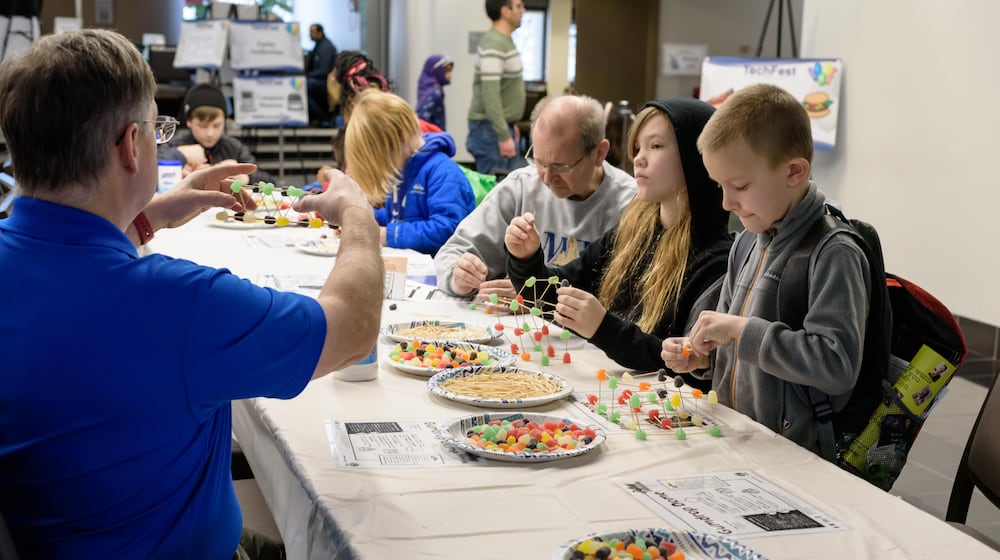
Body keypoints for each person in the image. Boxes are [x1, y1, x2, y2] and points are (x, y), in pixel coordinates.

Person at [0, 29, 383, 559]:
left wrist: (146, 216)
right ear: (130, 146)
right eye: (156, 131)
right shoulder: (178, 304)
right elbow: (353, 327)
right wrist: (359, 215)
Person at [660, 83, 871, 454]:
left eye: (739, 185)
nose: (727, 202)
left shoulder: (834, 252)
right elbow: (735, 344)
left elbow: (836, 365)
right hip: (738, 434)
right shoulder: (745, 243)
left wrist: (742, 330)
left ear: (793, 172)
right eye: (720, 186)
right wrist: (702, 356)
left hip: (795, 451)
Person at [505, 98, 732, 379]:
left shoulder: (715, 259)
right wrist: (525, 257)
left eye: (656, 146)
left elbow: (683, 362)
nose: (639, 159)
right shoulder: (633, 230)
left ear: (696, 158)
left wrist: (602, 327)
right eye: (637, 148)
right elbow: (549, 298)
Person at [434, 94, 636, 299]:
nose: (547, 178)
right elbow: (451, 253)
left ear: (599, 153)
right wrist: (459, 276)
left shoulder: (632, 204)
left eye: (561, 166)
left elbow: (631, 300)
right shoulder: (521, 187)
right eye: (539, 161)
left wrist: (535, 297)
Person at [346, 89, 475, 255]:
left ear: (401, 138)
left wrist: (386, 235)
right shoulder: (403, 168)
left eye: (383, 157)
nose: (385, 165)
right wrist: (364, 217)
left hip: (438, 273)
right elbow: (397, 217)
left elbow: (447, 229)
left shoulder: (444, 172)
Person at [157, 83, 274, 186]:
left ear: (225, 121)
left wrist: (246, 177)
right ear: (189, 121)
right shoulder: (176, 144)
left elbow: (269, 181)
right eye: (202, 126)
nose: (210, 133)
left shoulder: (233, 147)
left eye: (217, 125)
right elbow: (147, 174)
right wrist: (180, 155)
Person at [466, 0, 527, 174]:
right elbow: (490, 94)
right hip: (490, 130)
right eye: (518, 6)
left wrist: (510, 123)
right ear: (505, 11)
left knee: (502, 190)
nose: (523, 10)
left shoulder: (504, 41)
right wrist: (502, 133)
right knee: (493, 192)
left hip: (497, 127)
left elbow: (505, 89)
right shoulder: (494, 43)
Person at [306, 23, 338, 126]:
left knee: (305, 86)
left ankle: (322, 116)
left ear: (320, 32)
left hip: (326, 82)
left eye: (312, 32)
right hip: (320, 79)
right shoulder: (318, 46)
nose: (310, 34)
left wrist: (308, 75)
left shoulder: (326, 48)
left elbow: (324, 71)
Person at [416, 54, 453, 131]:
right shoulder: (436, 93)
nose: (450, 75)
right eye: (446, 71)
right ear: (437, 71)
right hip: (433, 138)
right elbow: (423, 119)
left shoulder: (427, 89)